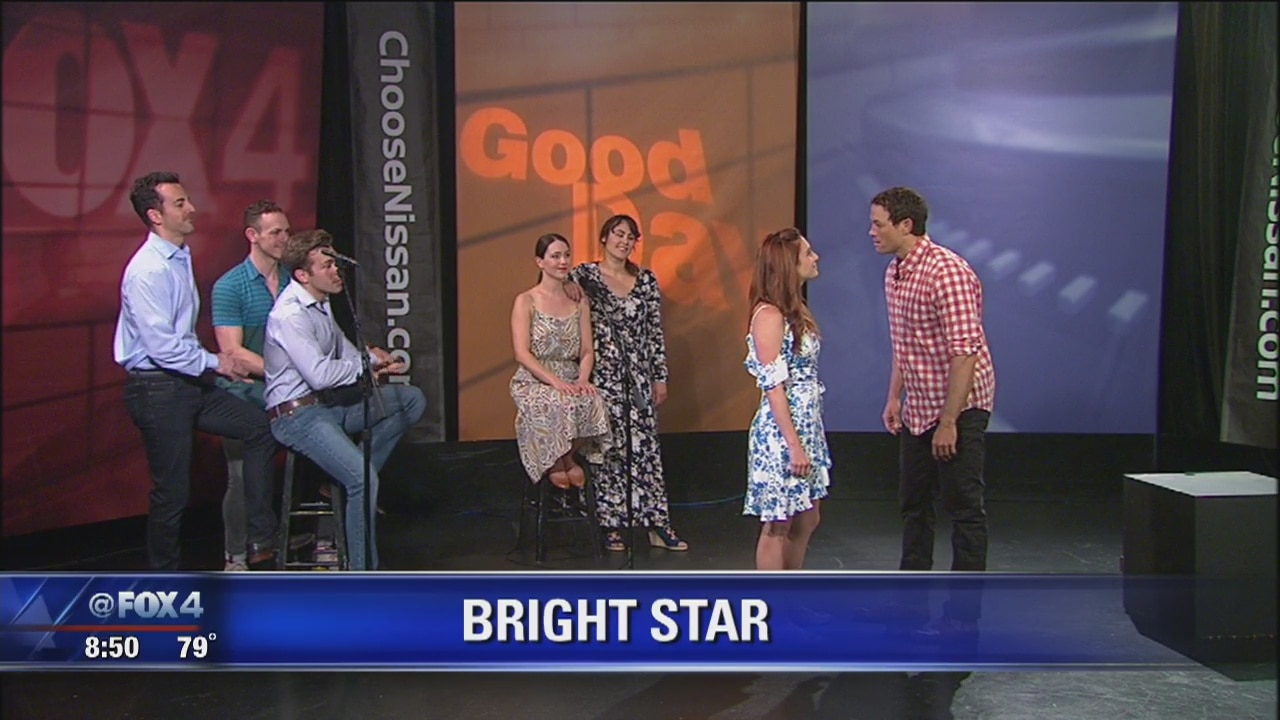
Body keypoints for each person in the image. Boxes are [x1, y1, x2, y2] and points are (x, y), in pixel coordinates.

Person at [114, 170, 280, 570]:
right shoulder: (148, 270)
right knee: (171, 493)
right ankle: (164, 580)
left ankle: (261, 539)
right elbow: (163, 348)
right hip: (157, 389)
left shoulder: (178, 256)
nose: (191, 208)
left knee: (259, 428)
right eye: (180, 203)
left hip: (187, 382)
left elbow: (180, 340)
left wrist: (211, 367)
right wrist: (217, 362)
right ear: (156, 216)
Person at [871, 186, 996, 640]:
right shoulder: (894, 273)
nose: (872, 232)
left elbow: (965, 353)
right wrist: (894, 398)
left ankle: (963, 617)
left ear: (905, 225)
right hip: (919, 406)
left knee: (964, 509)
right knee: (914, 506)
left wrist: (949, 423)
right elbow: (904, 345)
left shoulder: (948, 272)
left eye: (878, 224)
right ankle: (910, 604)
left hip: (961, 405)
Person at [263, 229, 426, 570]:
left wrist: (374, 361)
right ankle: (361, 575)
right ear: (303, 275)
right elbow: (320, 374)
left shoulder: (321, 304)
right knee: (363, 480)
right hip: (297, 416)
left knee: (410, 399)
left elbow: (347, 353)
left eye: (335, 263)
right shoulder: (290, 314)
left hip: (328, 405)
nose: (336, 271)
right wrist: (364, 365)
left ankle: (344, 475)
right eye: (327, 266)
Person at [567, 215, 686, 552]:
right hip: (602, 376)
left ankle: (656, 523)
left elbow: (654, 332)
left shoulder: (645, 280)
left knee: (645, 449)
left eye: (630, 237)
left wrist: (659, 376)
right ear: (604, 238)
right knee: (607, 448)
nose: (624, 241)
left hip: (638, 377)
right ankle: (609, 523)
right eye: (618, 234)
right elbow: (559, 293)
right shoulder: (585, 276)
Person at [211, 200, 293, 571]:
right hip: (246, 395)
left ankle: (298, 542)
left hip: (290, 394)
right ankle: (237, 556)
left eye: (287, 231)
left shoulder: (295, 281)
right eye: (275, 232)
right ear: (252, 235)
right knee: (241, 477)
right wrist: (287, 374)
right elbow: (233, 352)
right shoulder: (230, 286)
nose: (284, 239)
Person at [743, 228, 831, 570]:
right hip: (782, 433)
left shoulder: (795, 311)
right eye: (807, 253)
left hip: (807, 426)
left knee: (807, 517)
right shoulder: (769, 316)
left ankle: (792, 590)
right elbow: (773, 386)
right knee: (778, 523)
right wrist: (793, 445)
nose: (815, 257)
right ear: (787, 265)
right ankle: (773, 596)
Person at [510, 233, 612, 495]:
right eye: (555, 256)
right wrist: (555, 382)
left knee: (593, 399)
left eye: (566, 255)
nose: (563, 261)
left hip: (570, 373)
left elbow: (587, 350)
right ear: (540, 262)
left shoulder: (579, 301)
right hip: (534, 378)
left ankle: (568, 455)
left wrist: (582, 379)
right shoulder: (526, 300)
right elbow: (522, 353)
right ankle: (554, 459)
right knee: (557, 401)